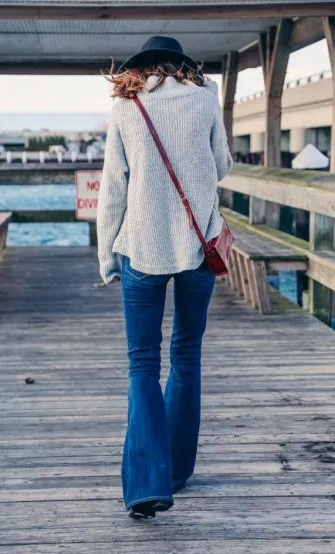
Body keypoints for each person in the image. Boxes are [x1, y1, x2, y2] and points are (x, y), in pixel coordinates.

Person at [97, 36, 233, 520]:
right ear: (182, 68)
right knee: (186, 353)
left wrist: (106, 257)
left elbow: (114, 188)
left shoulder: (127, 110)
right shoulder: (204, 100)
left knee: (142, 364)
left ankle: (147, 485)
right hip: (198, 248)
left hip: (142, 249)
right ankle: (176, 471)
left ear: (141, 68)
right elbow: (222, 166)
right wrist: (206, 94)